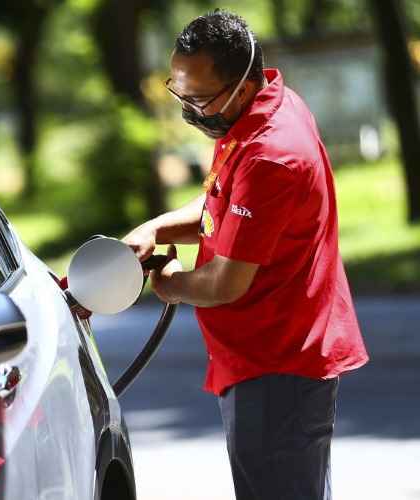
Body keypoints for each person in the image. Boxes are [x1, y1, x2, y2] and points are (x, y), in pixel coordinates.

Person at [123, 10, 369, 500]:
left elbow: (224, 283)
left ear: (242, 83)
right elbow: (223, 207)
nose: (190, 108)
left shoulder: (270, 154)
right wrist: (154, 228)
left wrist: (167, 279)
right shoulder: (264, 110)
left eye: (200, 97)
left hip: (279, 365)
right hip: (263, 359)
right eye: (181, 92)